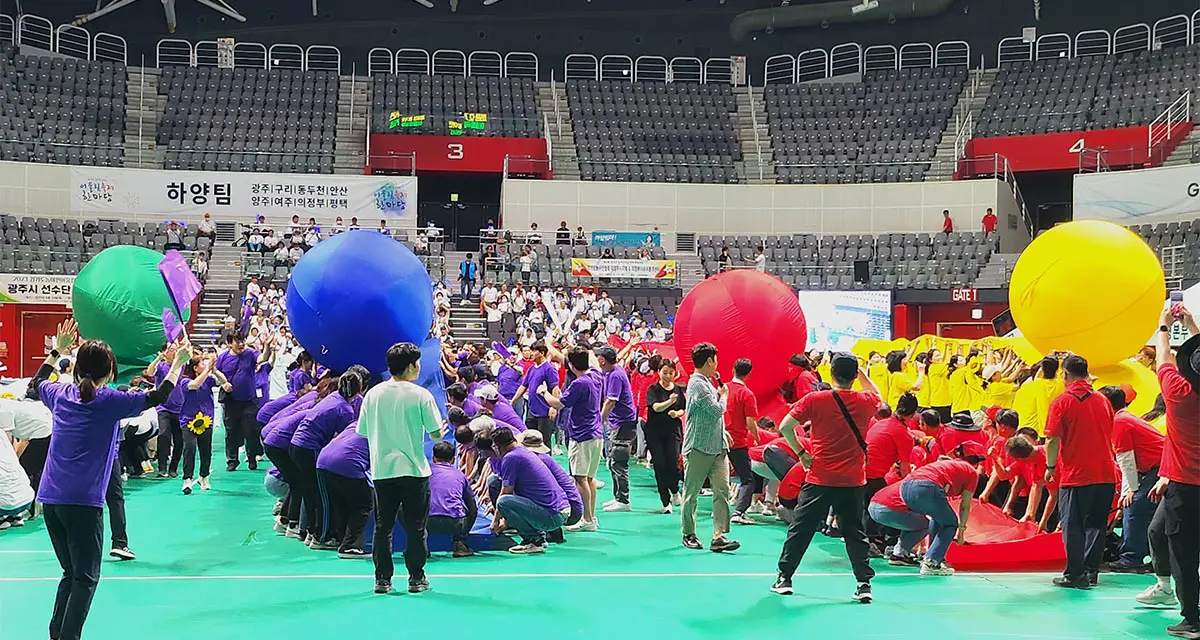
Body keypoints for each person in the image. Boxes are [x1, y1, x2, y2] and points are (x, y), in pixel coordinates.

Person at [32, 319, 189, 640]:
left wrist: (56, 351)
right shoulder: (109, 401)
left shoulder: (60, 393)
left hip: (50, 499)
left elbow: (35, 385)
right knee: (86, 578)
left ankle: (57, 635)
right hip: (83, 503)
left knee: (71, 574)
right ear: (110, 371)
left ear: (77, 367)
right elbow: (158, 396)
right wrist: (178, 364)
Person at [772, 352, 880, 602]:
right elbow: (878, 394)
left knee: (801, 530)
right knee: (855, 532)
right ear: (854, 376)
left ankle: (784, 578)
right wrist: (861, 371)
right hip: (853, 480)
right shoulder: (866, 401)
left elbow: (785, 427)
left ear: (831, 374)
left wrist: (801, 453)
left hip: (820, 478)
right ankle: (864, 584)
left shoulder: (815, 400)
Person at [357, 342, 442, 595]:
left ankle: (382, 580)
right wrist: (440, 432)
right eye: (416, 362)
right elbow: (437, 435)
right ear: (410, 366)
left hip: (383, 472)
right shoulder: (422, 395)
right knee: (416, 528)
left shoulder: (373, 394)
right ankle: (416, 578)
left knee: (383, 527)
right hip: (415, 471)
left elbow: (362, 430)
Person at [1140, 306, 1200, 637]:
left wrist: (1163, 325)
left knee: (1184, 555)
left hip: (1187, 486)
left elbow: (1163, 356)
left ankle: (1192, 618)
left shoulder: (1179, 393)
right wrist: (1192, 324)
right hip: (1182, 483)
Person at [1044, 354, 1116, 590]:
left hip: (1077, 474)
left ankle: (1075, 574)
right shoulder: (1103, 400)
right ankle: (1090, 571)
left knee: (1073, 525)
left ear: (1064, 374)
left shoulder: (1062, 401)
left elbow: (1052, 439)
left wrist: (1050, 466)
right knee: (1096, 524)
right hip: (1106, 473)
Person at [868, 455, 980, 576]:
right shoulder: (971, 472)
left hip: (904, 488)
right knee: (950, 523)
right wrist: (961, 532)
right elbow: (965, 505)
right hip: (919, 490)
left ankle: (928, 555)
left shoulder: (941, 468)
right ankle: (931, 561)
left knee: (937, 517)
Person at [291, 369, 366, 549]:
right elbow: (341, 438)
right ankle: (321, 537)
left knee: (310, 492)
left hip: (297, 445)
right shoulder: (345, 409)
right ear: (358, 391)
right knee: (322, 496)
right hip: (310, 448)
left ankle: (309, 531)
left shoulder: (332, 398)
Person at [679, 342, 740, 552]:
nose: (717, 364)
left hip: (717, 447)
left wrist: (722, 432)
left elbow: (707, 417)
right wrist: (724, 396)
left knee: (722, 490)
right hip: (698, 447)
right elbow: (714, 411)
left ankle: (719, 535)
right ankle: (689, 533)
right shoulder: (697, 384)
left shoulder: (707, 383)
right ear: (710, 361)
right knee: (691, 492)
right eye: (716, 359)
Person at [1098, 384, 1163, 573]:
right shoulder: (1123, 419)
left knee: (1134, 507)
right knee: (1148, 511)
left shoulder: (1120, 423)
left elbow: (1126, 460)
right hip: (1156, 468)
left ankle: (1130, 558)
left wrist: (1129, 491)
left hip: (1157, 469)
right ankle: (1149, 556)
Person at [541, 346, 603, 532]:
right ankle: (591, 517)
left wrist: (543, 392)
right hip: (596, 434)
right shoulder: (596, 375)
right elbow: (590, 356)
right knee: (590, 478)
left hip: (581, 436)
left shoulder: (579, 383)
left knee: (579, 478)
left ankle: (586, 518)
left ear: (571, 364)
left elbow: (557, 403)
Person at [490, 427, 571, 554]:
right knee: (497, 485)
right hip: (560, 510)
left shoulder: (511, 458)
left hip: (553, 515)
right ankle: (535, 537)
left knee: (503, 501)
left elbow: (506, 491)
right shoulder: (522, 451)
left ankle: (534, 540)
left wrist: (495, 521)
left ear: (498, 446)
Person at [863, 391, 917, 553]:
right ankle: (873, 540)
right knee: (882, 504)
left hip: (859, 470)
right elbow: (906, 469)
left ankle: (872, 538)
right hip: (873, 474)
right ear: (913, 415)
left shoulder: (881, 423)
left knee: (867, 505)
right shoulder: (903, 434)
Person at [316, 423, 373, 558]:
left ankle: (342, 540)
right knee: (363, 505)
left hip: (323, 461)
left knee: (341, 504)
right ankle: (350, 546)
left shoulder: (357, 423)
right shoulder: (384, 430)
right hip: (347, 464)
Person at [215, 333, 270, 472]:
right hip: (231, 401)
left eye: (242, 341)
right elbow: (215, 374)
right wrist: (223, 384)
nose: (241, 344)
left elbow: (263, 358)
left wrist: (268, 346)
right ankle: (232, 460)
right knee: (231, 432)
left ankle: (251, 457)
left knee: (252, 431)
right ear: (229, 343)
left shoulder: (250, 354)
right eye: (237, 341)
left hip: (249, 400)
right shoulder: (222, 358)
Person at [178, 355, 229, 495]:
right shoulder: (184, 381)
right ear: (195, 368)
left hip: (206, 420)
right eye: (202, 364)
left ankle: (204, 476)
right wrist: (208, 370)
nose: (204, 365)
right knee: (190, 448)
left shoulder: (209, 379)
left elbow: (223, 381)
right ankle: (187, 479)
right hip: (188, 421)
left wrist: (214, 369)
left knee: (205, 450)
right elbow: (194, 385)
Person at [597, 345, 638, 512]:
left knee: (618, 461)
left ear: (602, 360)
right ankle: (618, 497)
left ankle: (623, 499)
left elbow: (611, 401)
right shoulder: (614, 372)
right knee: (613, 461)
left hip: (623, 423)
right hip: (619, 422)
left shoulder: (615, 376)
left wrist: (600, 420)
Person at [644, 358, 685, 512]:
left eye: (671, 373)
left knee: (673, 464)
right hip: (655, 432)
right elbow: (656, 408)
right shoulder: (653, 389)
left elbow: (683, 408)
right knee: (660, 466)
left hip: (672, 431)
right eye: (665, 372)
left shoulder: (678, 390)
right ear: (659, 372)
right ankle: (665, 502)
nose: (668, 376)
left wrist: (677, 413)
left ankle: (674, 490)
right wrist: (669, 402)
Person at [724, 358, 760, 526]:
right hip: (737, 441)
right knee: (747, 478)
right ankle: (739, 512)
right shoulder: (747, 394)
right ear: (749, 374)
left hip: (719, 437)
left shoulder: (723, 388)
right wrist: (757, 437)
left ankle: (720, 510)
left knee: (720, 477)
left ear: (733, 369)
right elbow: (750, 421)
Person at [426, 441, 477, 558]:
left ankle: (419, 544)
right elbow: (472, 507)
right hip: (455, 523)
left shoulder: (424, 473)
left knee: (402, 507)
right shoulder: (460, 475)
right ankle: (460, 543)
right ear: (453, 460)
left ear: (433, 458)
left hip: (426, 522)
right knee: (472, 508)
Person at [511, 341, 559, 452]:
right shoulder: (532, 369)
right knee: (530, 441)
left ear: (542, 353)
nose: (531, 353)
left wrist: (553, 407)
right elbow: (523, 386)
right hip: (532, 410)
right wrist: (513, 400)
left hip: (545, 411)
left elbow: (555, 388)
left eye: (534, 351)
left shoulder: (549, 369)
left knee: (544, 442)